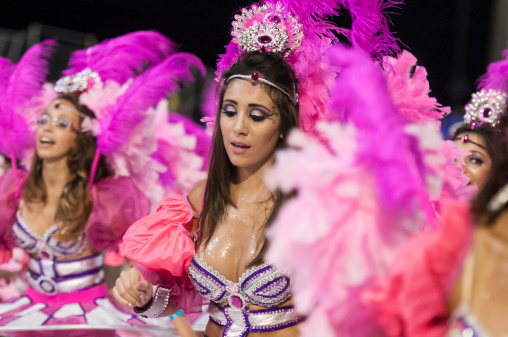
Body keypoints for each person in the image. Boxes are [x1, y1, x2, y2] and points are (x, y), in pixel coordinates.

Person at [0, 31, 204, 335]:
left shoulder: (105, 198)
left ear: (82, 138)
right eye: (44, 120)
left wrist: (177, 320)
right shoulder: (15, 186)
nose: (47, 128)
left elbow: (141, 266)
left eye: (62, 123)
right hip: (28, 311)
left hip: (89, 318)